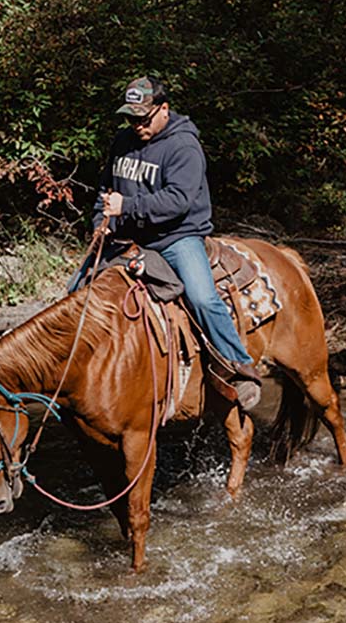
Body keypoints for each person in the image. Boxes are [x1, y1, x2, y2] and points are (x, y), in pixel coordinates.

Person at [93, 76, 263, 409]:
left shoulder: (184, 146)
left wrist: (126, 207)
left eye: (143, 117)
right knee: (78, 290)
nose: (137, 125)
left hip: (176, 236)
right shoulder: (122, 142)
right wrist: (101, 220)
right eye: (131, 118)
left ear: (164, 109)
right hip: (128, 234)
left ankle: (240, 367)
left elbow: (178, 200)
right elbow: (105, 188)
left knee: (202, 298)